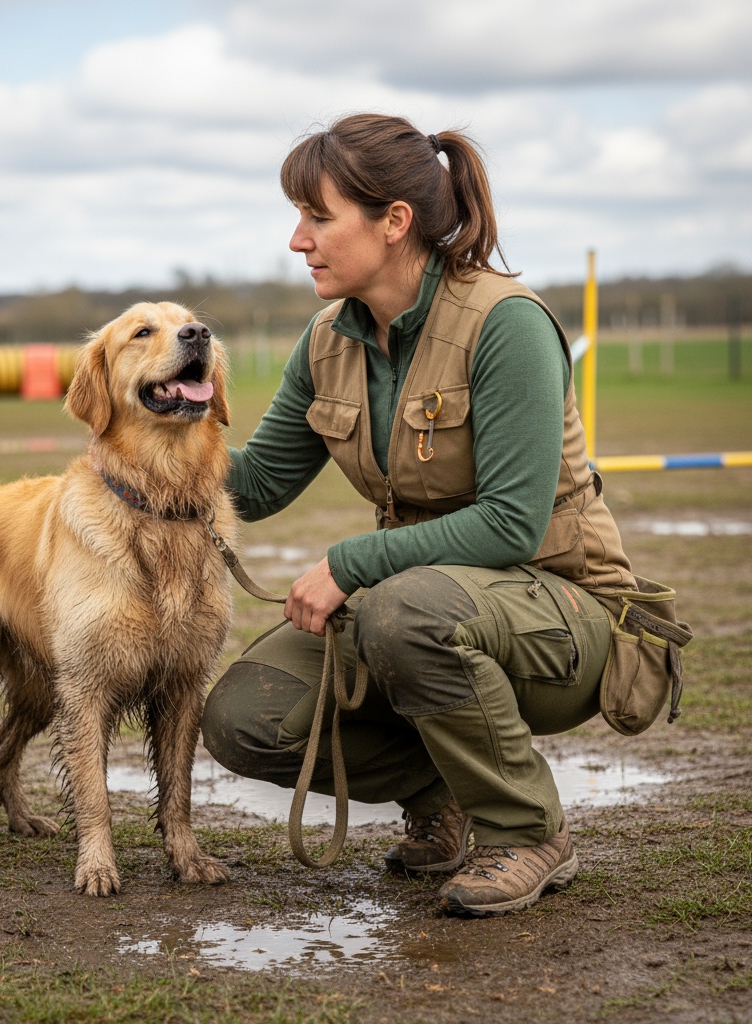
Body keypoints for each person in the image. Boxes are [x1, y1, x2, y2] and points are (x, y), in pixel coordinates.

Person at [201, 112, 640, 918]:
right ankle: (444, 794)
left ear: (394, 221)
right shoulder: (327, 339)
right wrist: (147, 448)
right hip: (420, 608)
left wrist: (348, 565)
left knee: (404, 613)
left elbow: (511, 524)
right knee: (244, 717)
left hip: (566, 615)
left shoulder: (507, 324)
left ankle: (527, 831)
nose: (298, 240)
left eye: (318, 216)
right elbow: (256, 483)